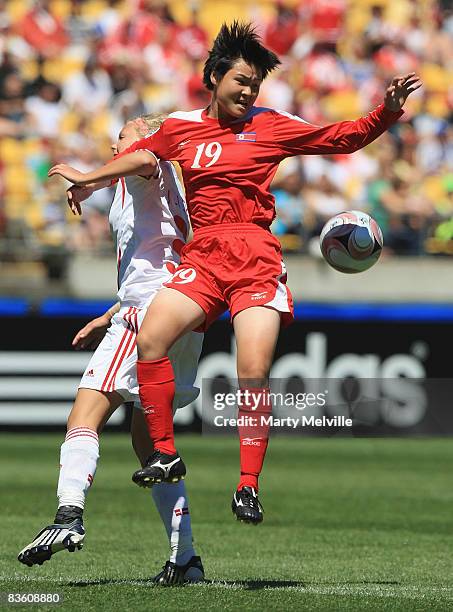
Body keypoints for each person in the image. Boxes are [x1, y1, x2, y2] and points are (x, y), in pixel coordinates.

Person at [47, 22, 422, 525]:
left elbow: (340, 138)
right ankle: (164, 453)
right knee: (151, 339)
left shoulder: (271, 124)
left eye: (255, 84)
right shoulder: (182, 128)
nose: (248, 91)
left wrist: (387, 111)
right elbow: (143, 155)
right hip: (203, 257)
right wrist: (89, 179)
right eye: (241, 80)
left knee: (252, 371)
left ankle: (248, 484)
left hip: (254, 255)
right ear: (215, 78)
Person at [18, 115, 205, 586]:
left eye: (121, 134)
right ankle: (186, 559)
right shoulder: (163, 189)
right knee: (151, 445)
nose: (113, 141)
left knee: (84, 417)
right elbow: (158, 258)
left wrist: (84, 176)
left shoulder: (153, 166)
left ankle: (68, 514)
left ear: (146, 139)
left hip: (148, 316)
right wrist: (107, 313)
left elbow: (145, 156)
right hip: (178, 312)